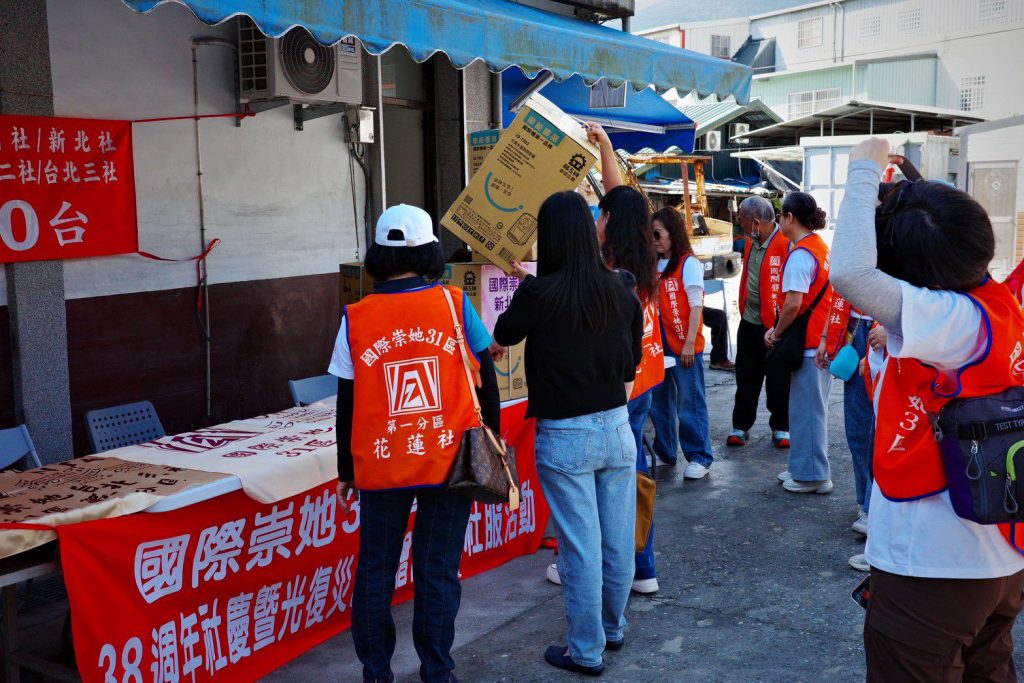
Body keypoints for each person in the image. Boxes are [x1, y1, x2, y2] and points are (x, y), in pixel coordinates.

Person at [832, 137, 1024, 681]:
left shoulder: (949, 319)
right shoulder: (996, 303)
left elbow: (848, 274)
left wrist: (863, 172)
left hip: (936, 569)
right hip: (999, 560)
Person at [328, 204, 500, 683]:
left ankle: (376, 672)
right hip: (450, 460)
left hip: (381, 464)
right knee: (438, 569)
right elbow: (487, 380)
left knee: (376, 570)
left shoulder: (355, 318)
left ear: (378, 256)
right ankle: (438, 671)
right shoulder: (453, 304)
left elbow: (347, 401)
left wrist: (347, 471)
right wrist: (493, 449)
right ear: (429, 252)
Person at [494, 190, 642, 678]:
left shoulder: (539, 293)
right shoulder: (621, 286)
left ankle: (586, 650)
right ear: (587, 231)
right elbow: (630, 362)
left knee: (581, 546)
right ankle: (612, 629)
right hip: (617, 428)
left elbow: (507, 332)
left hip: (566, 437)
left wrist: (528, 282)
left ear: (550, 237)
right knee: (618, 538)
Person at [589, 122, 663, 595]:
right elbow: (621, 197)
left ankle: (627, 566)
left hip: (623, 386)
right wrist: (605, 146)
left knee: (618, 481)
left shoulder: (611, 271)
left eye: (600, 215)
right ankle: (644, 567)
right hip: (646, 379)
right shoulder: (642, 260)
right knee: (633, 472)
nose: (596, 219)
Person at [766, 192, 833, 494]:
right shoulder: (819, 247)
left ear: (789, 217)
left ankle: (813, 476)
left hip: (807, 343)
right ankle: (801, 468)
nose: (779, 219)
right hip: (820, 338)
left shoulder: (801, 254)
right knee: (807, 409)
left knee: (807, 412)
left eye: (781, 214)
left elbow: (793, 304)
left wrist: (775, 333)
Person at [650, 206, 715, 481]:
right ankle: (665, 451)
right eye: (650, 234)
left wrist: (689, 343)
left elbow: (696, 307)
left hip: (682, 342)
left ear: (672, 235)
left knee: (690, 402)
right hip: (657, 342)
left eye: (658, 234)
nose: (653, 239)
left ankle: (700, 456)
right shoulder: (653, 264)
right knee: (659, 401)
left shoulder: (688, 263)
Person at [728, 196, 791, 449]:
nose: (739, 223)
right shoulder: (749, 242)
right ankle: (740, 426)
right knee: (745, 376)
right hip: (749, 321)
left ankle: (781, 427)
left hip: (776, 325)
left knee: (778, 379)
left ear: (755, 221)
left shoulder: (786, 244)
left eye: (742, 219)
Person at [816, 294, 875, 535]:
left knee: (880, 426)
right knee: (857, 426)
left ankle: (875, 507)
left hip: (883, 332)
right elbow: (838, 295)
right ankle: (865, 501)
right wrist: (824, 337)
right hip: (854, 329)